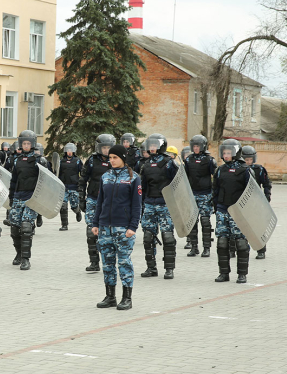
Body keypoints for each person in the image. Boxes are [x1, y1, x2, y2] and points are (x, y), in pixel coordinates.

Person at [92, 145, 142, 310]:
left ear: (123, 158)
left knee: (124, 263)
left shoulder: (133, 178)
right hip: (105, 227)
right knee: (107, 263)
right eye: (110, 158)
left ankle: (127, 298)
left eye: (115, 157)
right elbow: (100, 202)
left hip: (123, 228)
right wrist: (96, 223)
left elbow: (137, 205)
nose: (112, 160)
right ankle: (110, 296)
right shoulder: (105, 176)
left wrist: (133, 226)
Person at [212, 139, 253, 284]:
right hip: (223, 210)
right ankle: (223, 273)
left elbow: (252, 193)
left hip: (238, 212)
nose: (226, 155)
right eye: (224, 153)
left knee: (241, 243)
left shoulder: (245, 170)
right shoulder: (220, 170)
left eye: (229, 153)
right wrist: (217, 208)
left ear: (236, 153)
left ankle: (242, 274)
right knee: (222, 242)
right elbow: (215, 190)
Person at [138, 133, 179, 279]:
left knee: (167, 237)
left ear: (161, 146)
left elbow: (178, 184)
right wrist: (141, 206)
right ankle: (151, 268)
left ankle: (169, 269)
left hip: (165, 205)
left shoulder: (169, 163)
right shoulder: (146, 164)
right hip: (149, 204)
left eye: (155, 145)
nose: (152, 148)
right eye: (151, 145)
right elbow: (142, 187)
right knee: (148, 237)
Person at [79, 134, 115, 272]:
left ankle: (109, 262)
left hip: (110, 201)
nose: (106, 150)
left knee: (108, 233)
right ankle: (94, 262)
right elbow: (83, 179)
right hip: (93, 199)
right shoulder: (92, 160)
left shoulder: (117, 161)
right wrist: (81, 198)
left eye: (108, 148)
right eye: (103, 148)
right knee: (91, 232)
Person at [8, 130, 42, 270]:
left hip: (31, 198)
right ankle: (19, 253)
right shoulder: (17, 160)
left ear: (33, 144)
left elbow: (47, 181)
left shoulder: (39, 160)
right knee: (14, 229)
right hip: (18, 196)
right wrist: (11, 197)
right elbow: (13, 180)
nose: (26, 145)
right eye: (24, 143)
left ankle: (25, 259)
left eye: (28, 143)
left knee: (26, 227)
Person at [183, 135, 217, 258]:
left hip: (205, 194)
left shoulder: (209, 160)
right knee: (192, 222)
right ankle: (194, 247)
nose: (196, 148)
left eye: (198, 146)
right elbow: (184, 177)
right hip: (192, 194)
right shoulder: (188, 160)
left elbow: (216, 178)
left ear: (203, 146)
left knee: (205, 221)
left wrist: (214, 195)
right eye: (194, 146)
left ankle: (206, 248)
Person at [241, 146, 272, 259]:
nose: (248, 162)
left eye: (250, 159)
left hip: (256, 202)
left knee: (258, 228)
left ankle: (261, 250)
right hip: (242, 202)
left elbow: (267, 184)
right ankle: (240, 249)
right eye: (246, 160)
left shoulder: (259, 170)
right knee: (241, 228)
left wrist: (266, 197)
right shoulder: (240, 169)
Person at [58, 143, 83, 231]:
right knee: (63, 206)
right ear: (65, 151)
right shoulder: (61, 161)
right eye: (68, 150)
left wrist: (81, 185)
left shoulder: (77, 161)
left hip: (74, 187)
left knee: (74, 205)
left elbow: (82, 173)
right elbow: (57, 173)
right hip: (63, 187)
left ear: (73, 152)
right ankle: (64, 225)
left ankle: (78, 211)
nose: (69, 152)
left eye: (71, 151)